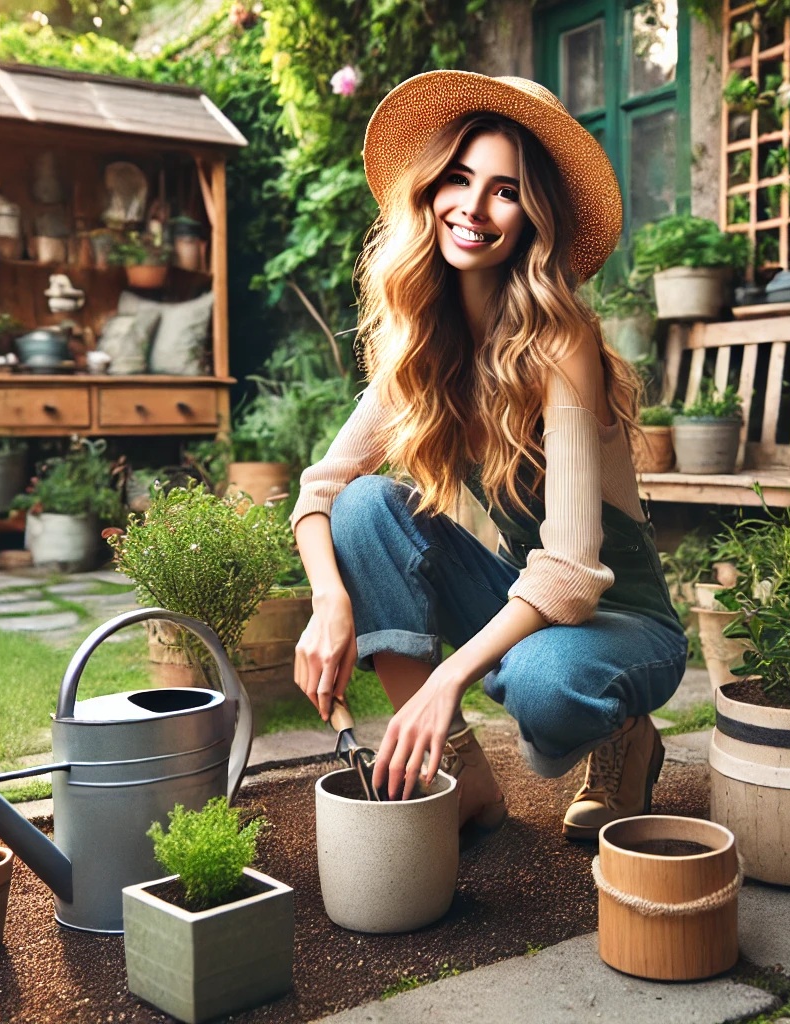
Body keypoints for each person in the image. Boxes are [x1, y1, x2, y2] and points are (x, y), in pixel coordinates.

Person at [290, 71, 686, 841]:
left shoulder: (560, 339)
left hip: (624, 622)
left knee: (547, 686)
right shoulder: (426, 343)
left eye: (504, 191)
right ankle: (461, 777)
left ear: (534, 217)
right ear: (430, 189)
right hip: (529, 603)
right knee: (367, 508)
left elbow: (572, 575)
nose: (472, 207)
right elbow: (321, 490)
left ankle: (626, 736)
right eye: (459, 179)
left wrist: (446, 678)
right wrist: (329, 602)